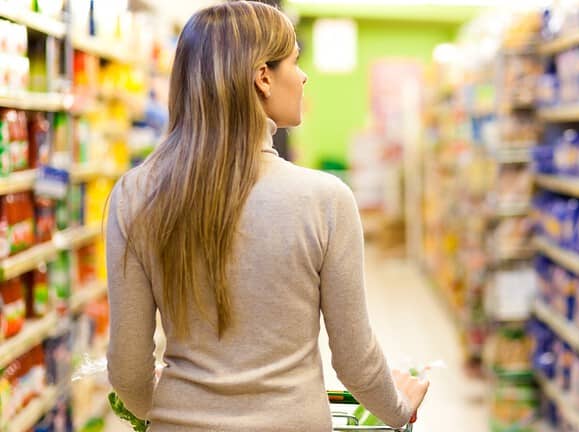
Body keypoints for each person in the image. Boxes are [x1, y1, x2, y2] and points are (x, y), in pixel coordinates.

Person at [105, 2, 429, 431]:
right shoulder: (324, 199)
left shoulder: (134, 195)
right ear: (263, 77)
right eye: (295, 61)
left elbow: (128, 373)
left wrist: (175, 408)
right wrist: (400, 409)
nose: (303, 76)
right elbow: (355, 362)